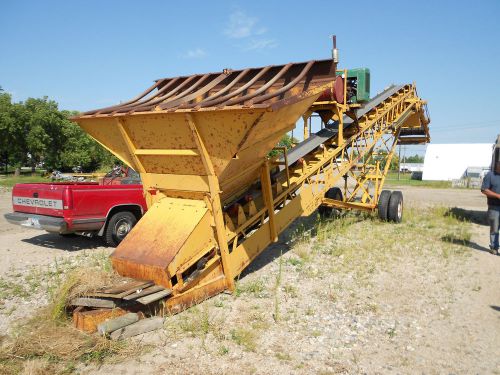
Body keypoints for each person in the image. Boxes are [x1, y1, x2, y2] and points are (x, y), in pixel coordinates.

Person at [481, 160, 500, 255]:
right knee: (494, 228)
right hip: (494, 207)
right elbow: (484, 189)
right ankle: (494, 247)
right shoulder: (490, 175)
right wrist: (498, 196)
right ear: (497, 165)